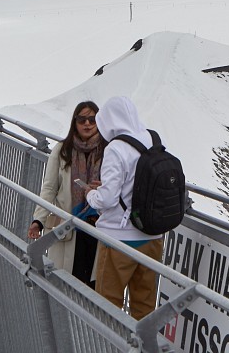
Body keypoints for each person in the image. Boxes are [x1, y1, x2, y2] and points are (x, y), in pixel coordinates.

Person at [84, 96, 165, 320]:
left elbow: (108, 199)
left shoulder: (116, 149)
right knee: (144, 308)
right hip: (152, 237)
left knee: (108, 306)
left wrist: (91, 194)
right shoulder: (154, 139)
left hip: (119, 239)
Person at [28, 101, 105, 286]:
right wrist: (38, 220)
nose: (87, 124)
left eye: (92, 119)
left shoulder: (108, 151)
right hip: (69, 227)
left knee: (93, 287)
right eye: (82, 119)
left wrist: (103, 187)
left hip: (98, 228)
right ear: (75, 122)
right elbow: (49, 188)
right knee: (67, 283)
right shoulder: (63, 149)